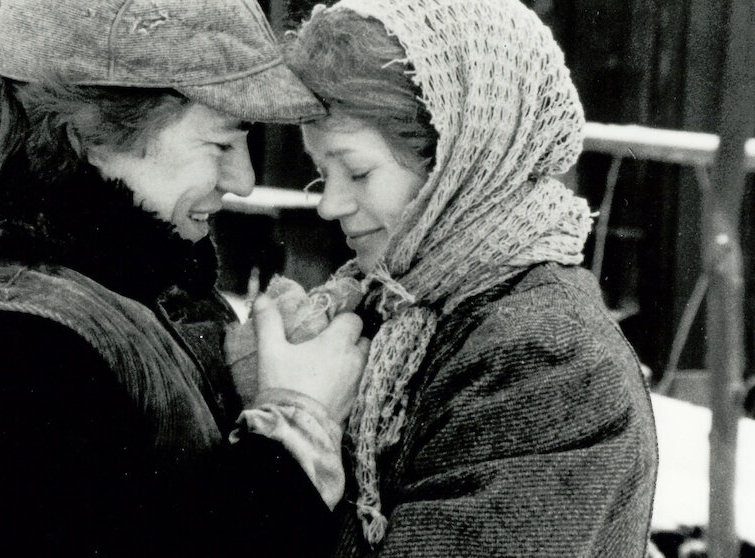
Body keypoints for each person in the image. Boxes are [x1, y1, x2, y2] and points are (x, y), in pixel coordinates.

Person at [0, 0, 368, 556]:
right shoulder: (7, 350)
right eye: (220, 143)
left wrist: (233, 374)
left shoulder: (102, 268)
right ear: (90, 133)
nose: (242, 180)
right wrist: (296, 427)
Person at [273, 0, 660, 555]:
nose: (329, 205)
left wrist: (291, 435)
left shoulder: (547, 361)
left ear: (456, 163)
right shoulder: (398, 306)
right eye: (320, 173)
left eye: (357, 171)